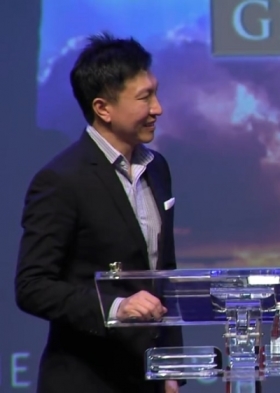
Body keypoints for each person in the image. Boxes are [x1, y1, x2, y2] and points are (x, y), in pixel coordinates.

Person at [14, 33, 183, 393]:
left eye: (155, 92)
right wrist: (115, 306)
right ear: (103, 108)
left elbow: (163, 272)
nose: (158, 108)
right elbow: (32, 287)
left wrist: (172, 367)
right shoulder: (61, 180)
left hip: (149, 378)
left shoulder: (158, 168)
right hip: (87, 379)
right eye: (144, 98)